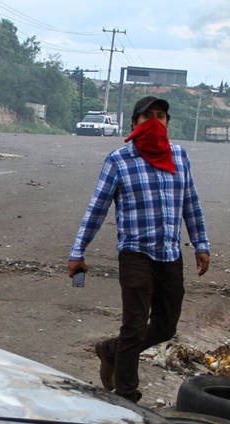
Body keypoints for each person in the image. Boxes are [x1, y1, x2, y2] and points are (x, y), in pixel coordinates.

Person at [67, 96, 210, 403]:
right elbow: (97, 209)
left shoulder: (180, 156)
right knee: (133, 326)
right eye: (147, 117)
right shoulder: (119, 160)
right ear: (134, 124)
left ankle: (109, 350)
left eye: (161, 116)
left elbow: (191, 204)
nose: (155, 122)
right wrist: (78, 251)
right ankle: (127, 398)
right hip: (135, 253)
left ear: (168, 123)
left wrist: (201, 244)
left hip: (170, 254)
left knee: (165, 326)